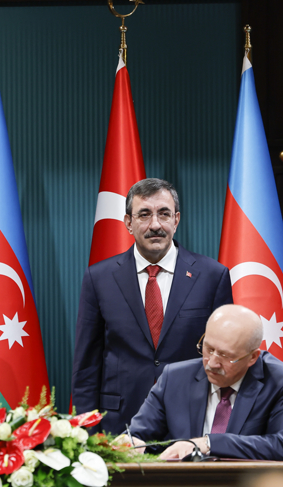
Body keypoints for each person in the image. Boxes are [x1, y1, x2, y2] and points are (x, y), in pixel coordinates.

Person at [72, 178, 233, 434]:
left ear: (176, 220)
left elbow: (225, 359)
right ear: (128, 222)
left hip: (191, 423)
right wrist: (87, 434)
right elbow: (87, 366)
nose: (155, 225)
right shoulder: (99, 278)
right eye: (144, 214)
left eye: (164, 214)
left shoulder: (213, 276)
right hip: (119, 424)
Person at [127, 304, 283, 461]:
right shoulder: (174, 378)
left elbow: (282, 446)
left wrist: (208, 443)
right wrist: (130, 443)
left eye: (225, 355)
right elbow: (138, 435)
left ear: (252, 357)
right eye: (208, 349)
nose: (212, 363)